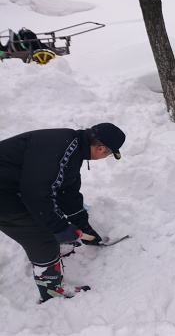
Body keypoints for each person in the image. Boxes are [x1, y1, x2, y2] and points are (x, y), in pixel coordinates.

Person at [0, 123, 126, 302]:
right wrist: (60, 229)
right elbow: (36, 195)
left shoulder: (72, 147)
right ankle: (53, 290)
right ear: (100, 149)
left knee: (47, 219)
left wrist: (84, 226)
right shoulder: (61, 151)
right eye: (108, 154)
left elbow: (68, 193)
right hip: (4, 195)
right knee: (41, 235)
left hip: (9, 187)